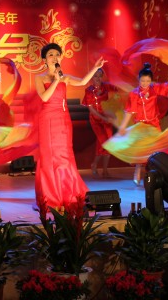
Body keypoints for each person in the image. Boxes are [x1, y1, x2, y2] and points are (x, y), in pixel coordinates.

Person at [34, 43, 106, 209]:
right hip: (47, 119)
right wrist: (56, 80)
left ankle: (67, 192)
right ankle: (50, 195)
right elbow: (44, 97)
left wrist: (95, 68)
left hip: (63, 119)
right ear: (44, 60)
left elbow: (82, 82)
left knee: (64, 155)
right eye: (50, 55)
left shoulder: (65, 77)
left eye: (57, 55)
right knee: (50, 156)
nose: (54, 57)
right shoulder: (40, 78)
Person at [117, 62, 168, 185]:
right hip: (140, 125)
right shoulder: (134, 94)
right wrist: (123, 126)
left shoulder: (154, 88)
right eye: (143, 81)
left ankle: (155, 175)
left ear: (151, 81)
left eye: (147, 81)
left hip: (153, 124)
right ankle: (137, 171)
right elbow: (129, 112)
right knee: (141, 150)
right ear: (139, 80)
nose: (145, 83)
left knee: (155, 151)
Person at [81, 68, 118, 178]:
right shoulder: (88, 91)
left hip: (106, 118)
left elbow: (117, 89)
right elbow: (91, 109)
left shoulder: (106, 86)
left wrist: (113, 107)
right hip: (96, 120)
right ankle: (95, 164)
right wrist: (103, 118)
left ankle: (104, 169)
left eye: (100, 76)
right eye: (95, 76)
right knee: (103, 142)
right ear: (92, 77)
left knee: (109, 143)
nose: (98, 78)